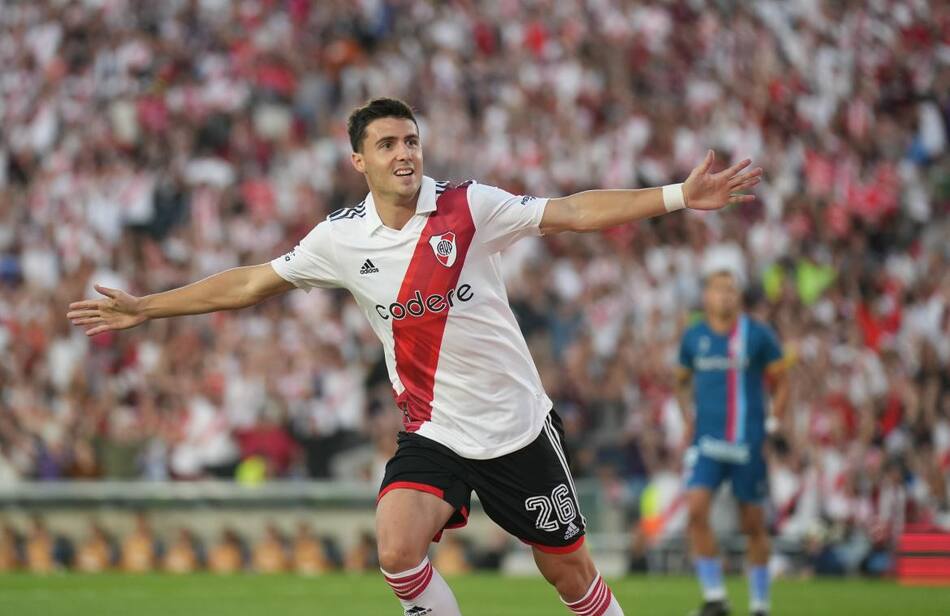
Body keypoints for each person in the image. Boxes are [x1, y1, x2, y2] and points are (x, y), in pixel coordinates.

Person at [67, 97, 761, 615]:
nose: (405, 153)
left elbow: (573, 212)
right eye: (388, 143)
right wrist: (147, 306)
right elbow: (250, 283)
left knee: (571, 578)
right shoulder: (339, 239)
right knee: (397, 549)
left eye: (411, 140)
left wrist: (676, 196)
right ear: (358, 160)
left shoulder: (469, 206)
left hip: (516, 430)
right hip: (433, 431)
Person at [676, 270, 789, 616]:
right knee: (695, 511)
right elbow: (681, 381)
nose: (725, 296)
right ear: (707, 296)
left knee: (752, 524)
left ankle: (759, 605)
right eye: (718, 289)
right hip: (707, 442)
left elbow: (782, 381)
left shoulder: (757, 335)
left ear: (738, 297)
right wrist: (688, 419)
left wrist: (772, 422)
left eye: (731, 290)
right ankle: (715, 598)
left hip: (746, 443)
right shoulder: (694, 337)